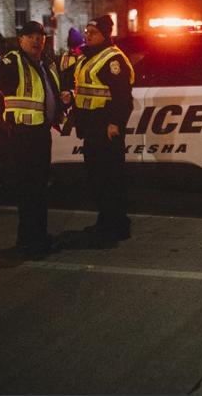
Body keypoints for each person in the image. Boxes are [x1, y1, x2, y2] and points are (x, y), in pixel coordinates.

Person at [0, 21, 63, 255]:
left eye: (40, 36)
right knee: (28, 189)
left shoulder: (45, 63)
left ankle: (39, 235)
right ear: (20, 40)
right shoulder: (14, 61)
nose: (36, 40)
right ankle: (28, 240)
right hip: (22, 135)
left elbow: (50, 93)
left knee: (39, 187)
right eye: (30, 36)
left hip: (40, 133)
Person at [61, 15, 135, 245]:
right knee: (98, 179)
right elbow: (88, 89)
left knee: (109, 179)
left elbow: (123, 98)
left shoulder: (112, 60)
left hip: (105, 130)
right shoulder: (88, 57)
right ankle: (108, 222)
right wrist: (71, 96)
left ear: (105, 34)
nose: (87, 34)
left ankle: (113, 226)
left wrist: (115, 123)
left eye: (93, 32)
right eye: (87, 30)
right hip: (92, 128)